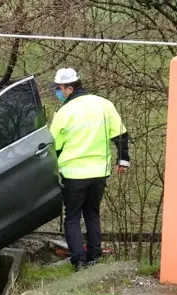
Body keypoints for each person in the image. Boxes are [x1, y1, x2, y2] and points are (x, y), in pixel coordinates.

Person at [48, 68, 130, 271]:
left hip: (74, 174)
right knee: (92, 213)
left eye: (58, 89)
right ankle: (94, 256)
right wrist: (123, 160)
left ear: (68, 88)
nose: (57, 94)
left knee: (73, 218)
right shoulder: (104, 104)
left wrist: (50, 173)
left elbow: (53, 146)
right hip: (99, 173)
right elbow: (121, 134)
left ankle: (79, 261)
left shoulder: (64, 112)